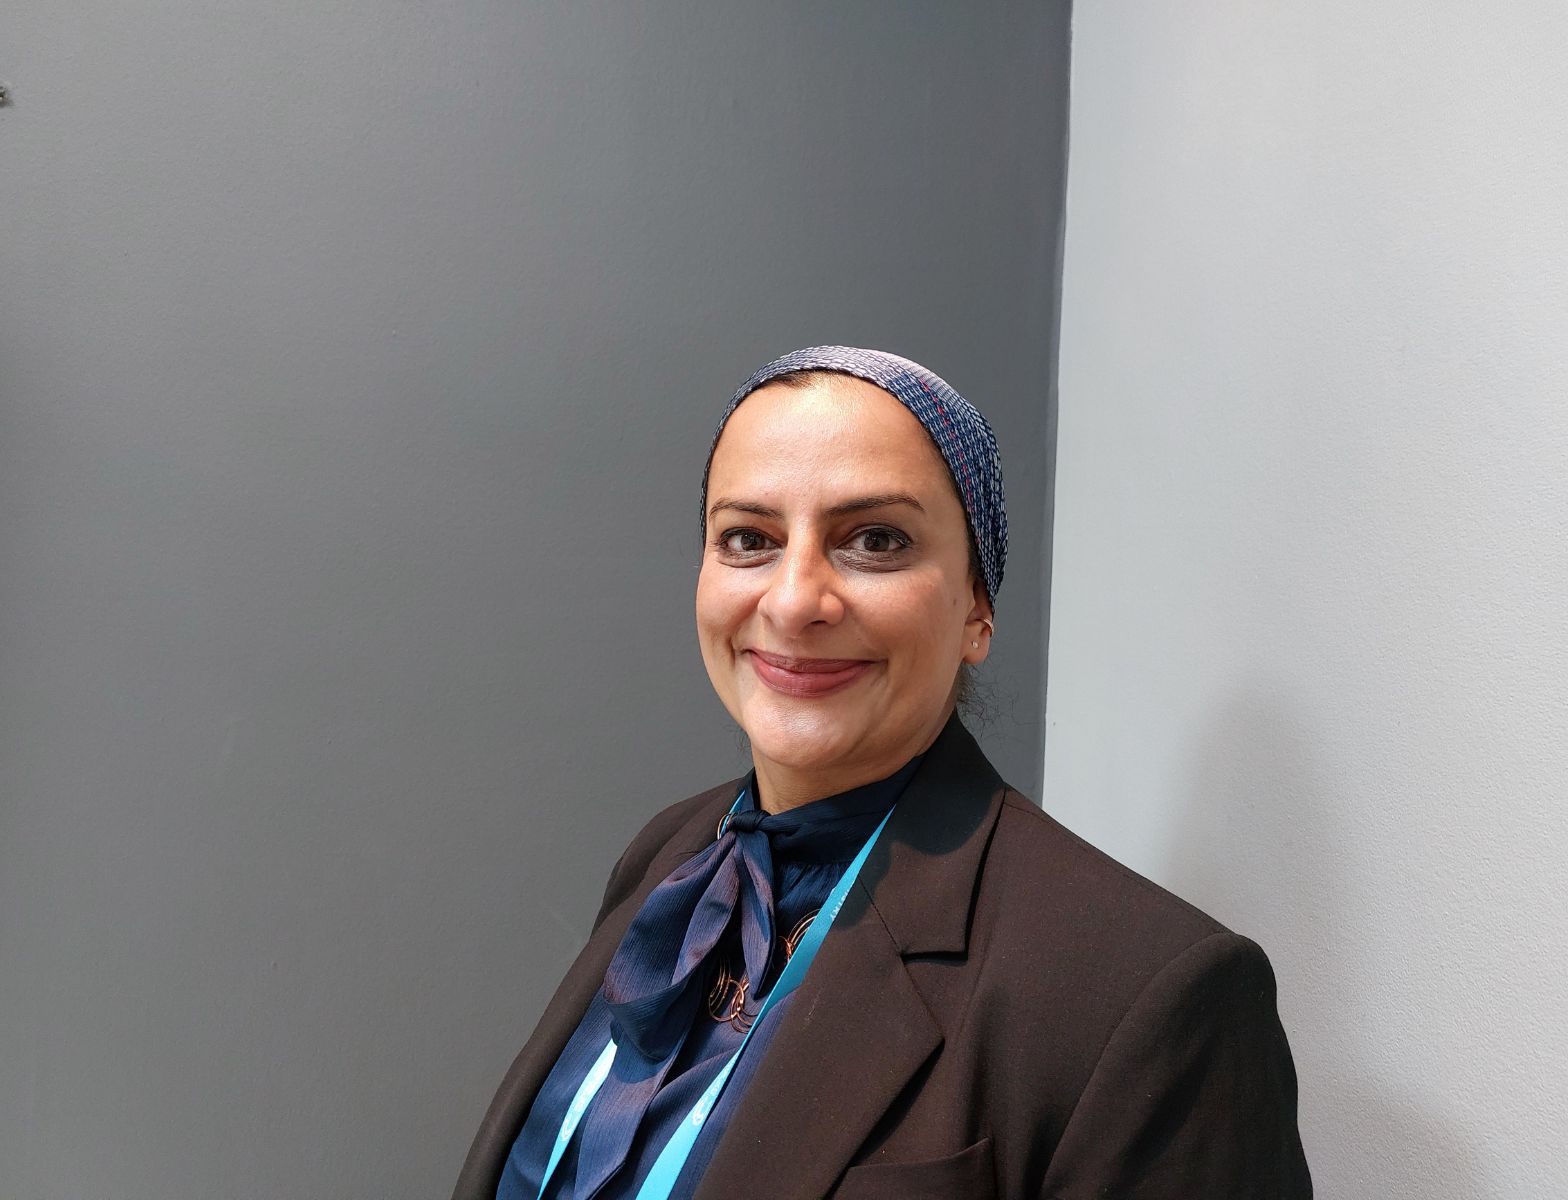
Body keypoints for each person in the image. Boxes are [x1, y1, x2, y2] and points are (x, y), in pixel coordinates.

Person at [452, 346, 1311, 1199]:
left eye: (874, 541)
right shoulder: (668, 853)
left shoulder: (1147, 996)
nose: (793, 601)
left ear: (976, 606)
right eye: (749, 538)